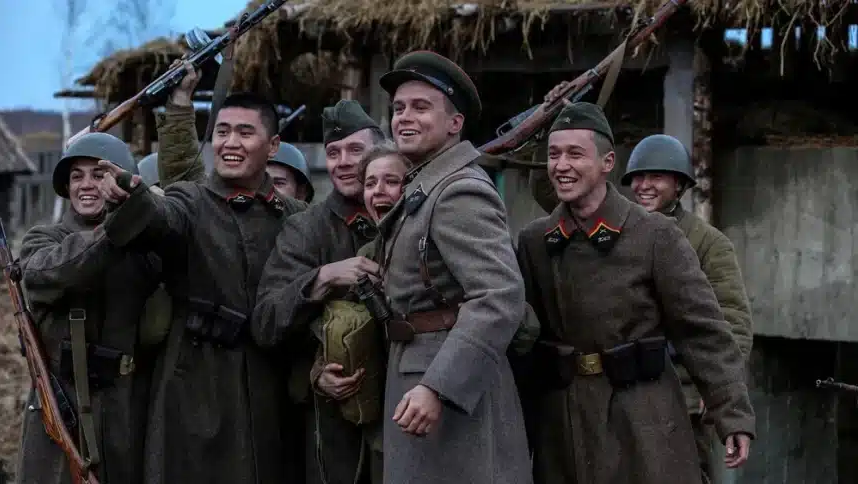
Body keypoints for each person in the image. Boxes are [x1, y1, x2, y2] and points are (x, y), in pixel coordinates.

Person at [515, 101, 755, 484]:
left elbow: (705, 330)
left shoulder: (656, 237)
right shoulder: (534, 242)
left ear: (607, 163)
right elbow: (524, 339)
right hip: (563, 421)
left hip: (643, 416)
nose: (561, 165)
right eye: (554, 154)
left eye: (575, 154)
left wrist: (732, 412)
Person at [96, 92, 307, 484]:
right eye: (223, 131)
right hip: (192, 383)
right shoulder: (191, 200)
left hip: (268, 384)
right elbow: (161, 216)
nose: (230, 143)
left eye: (246, 132)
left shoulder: (297, 218)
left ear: (273, 146)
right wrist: (130, 197)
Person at [375, 50, 532, 484]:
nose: (404, 117)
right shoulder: (425, 187)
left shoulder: (459, 192)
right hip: (420, 375)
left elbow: (499, 296)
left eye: (421, 107)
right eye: (399, 108)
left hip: (449, 389)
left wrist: (438, 386)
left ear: (454, 123)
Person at [253, 99, 387, 484]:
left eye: (355, 151)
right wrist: (323, 277)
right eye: (333, 152)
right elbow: (266, 321)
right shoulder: (305, 229)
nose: (343, 161)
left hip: (405, 406)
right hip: (333, 425)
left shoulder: (408, 214)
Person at [16, 133, 159, 484]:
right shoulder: (43, 238)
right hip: (60, 406)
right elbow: (50, 271)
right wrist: (118, 227)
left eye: (98, 174)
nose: (86, 185)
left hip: (126, 407)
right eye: (76, 176)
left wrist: (143, 210)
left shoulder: (147, 244)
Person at [621, 134, 754, 483]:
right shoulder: (617, 231)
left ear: (678, 184)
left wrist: (719, 391)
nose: (644, 186)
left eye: (656, 177)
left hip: (682, 395)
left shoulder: (708, 244)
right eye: (638, 177)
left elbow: (732, 322)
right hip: (622, 391)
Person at [153, 60, 315, 202]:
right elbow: (182, 174)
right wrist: (180, 99)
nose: (231, 143)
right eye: (222, 132)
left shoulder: (307, 228)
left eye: (278, 183)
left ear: (301, 193)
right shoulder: (212, 213)